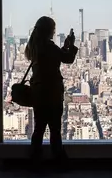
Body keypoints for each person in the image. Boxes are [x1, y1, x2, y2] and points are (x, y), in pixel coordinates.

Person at [24, 17, 77, 165]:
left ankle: (34, 161)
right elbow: (67, 59)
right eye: (53, 29)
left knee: (39, 129)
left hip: (39, 93)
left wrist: (64, 47)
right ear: (49, 30)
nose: (54, 31)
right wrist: (71, 45)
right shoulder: (50, 47)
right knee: (55, 130)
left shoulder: (34, 47)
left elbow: (54, 57)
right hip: (53, 93)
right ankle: (59, 161)